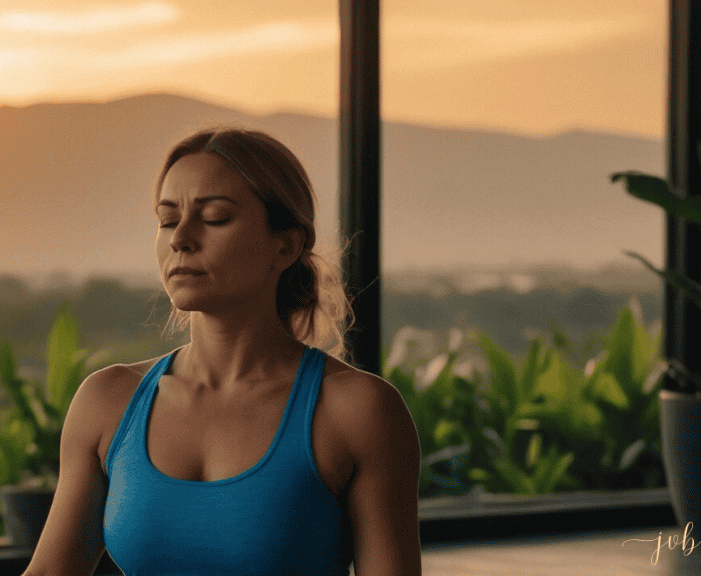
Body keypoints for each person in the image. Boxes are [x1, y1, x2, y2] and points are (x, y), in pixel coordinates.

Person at [22, 128, 421, 576]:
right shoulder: (107, 402)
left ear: (285, 246)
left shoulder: (358, 411)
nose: (181, 239)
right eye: (168, 220)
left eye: (213, 218)